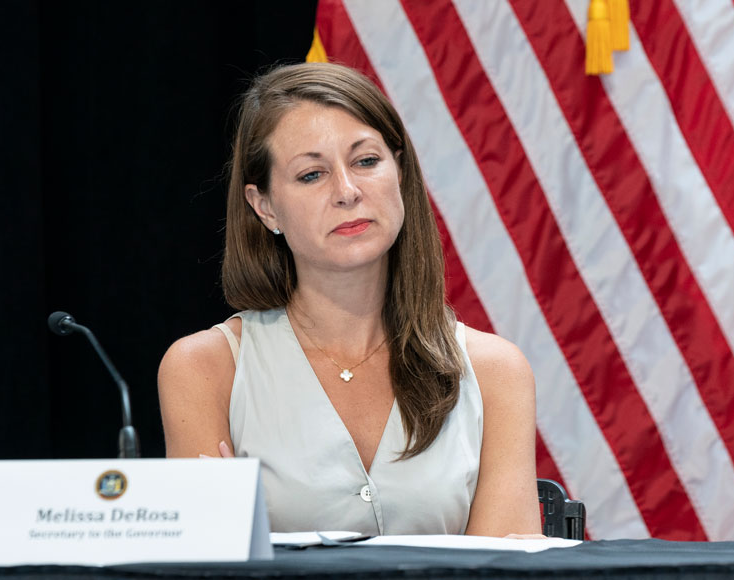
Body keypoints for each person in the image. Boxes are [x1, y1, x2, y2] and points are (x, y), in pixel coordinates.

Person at [158, 62, 541, 538]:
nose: (347, 192)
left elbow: (501, 572)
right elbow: (208, 565)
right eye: (312, 174)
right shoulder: (204, 369)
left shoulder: (495, 372)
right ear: (265, 206)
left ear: (398, 170)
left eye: (365, 161)